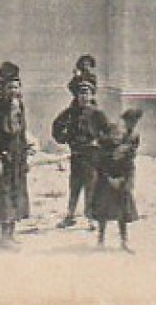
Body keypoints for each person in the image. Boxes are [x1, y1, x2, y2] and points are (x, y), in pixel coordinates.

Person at [0, 61, 32, 246]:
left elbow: (22, 133)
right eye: (10, 87)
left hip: (17, 158)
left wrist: (25, 156)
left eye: (16, 86)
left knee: (15, 195)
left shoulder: (20, 107)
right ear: (4, 88)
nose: (13, 90)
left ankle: (9, 234)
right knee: (1, 195)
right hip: (2, 158)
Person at [51, 79, 107, 227]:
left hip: (92, 156)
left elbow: (108, 132)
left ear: (92, 95)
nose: (83, 96)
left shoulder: (97, 114)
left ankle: (90, 218)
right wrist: (63, 138)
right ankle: (70, 216)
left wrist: (99, 142)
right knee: (75, 186)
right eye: (80, 93)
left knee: (91, 186)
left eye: (86, 92)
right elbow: (57, 125)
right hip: (76, 155)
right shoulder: (70, 113)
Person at [92, 108, 143, 252]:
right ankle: (100, 240)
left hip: (121, 184)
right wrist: (109, 178)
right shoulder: (105, 151)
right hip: (105, 184)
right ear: (108, 135)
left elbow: (129, 166)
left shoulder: (126, 149)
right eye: (113, 135)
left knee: (122, 213)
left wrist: (124, 180)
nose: (116, 137)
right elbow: (100, 166)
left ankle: (124, 241)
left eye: (119, 135)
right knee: (103, 213)